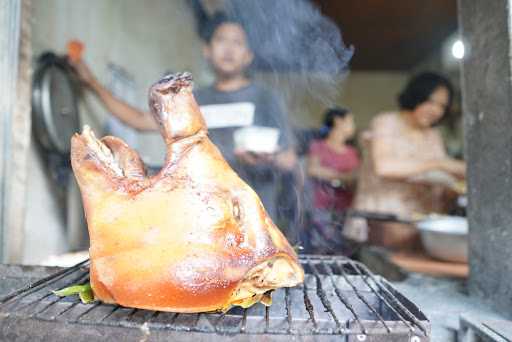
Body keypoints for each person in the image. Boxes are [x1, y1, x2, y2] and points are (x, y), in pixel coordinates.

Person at [71, 13, 296, 222]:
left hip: (252, 213)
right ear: (206, 50)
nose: (229, 49)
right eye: (221, 40)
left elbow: (290, 161)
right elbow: (139, 120)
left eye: (237, 42)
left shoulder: (265, 98)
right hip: (202, 212)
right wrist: (91, 82)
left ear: (248, 56)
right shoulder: (192, 99)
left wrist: (267, 159)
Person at [344, 72, 466, 249]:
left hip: (421, 223)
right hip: (381, 222)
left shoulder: (433, 135)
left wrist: (454, 188)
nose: (436, 111)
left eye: (442, 106)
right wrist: (439, 163)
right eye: (431, 102)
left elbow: (437, 178)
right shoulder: (386, 122)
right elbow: (384, 167)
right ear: (417, 95)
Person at [305, 107, 360, 254]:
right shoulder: (318, 146)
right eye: (351, 121)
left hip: (345, 207)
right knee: (320, 247)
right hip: (322, 207)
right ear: (338, 121)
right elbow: (313, 170)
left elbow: (356, 177)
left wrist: (331, 175)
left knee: (343, 250)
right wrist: (343, 176)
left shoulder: (352, 151)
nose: (354, 126)